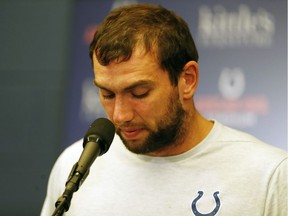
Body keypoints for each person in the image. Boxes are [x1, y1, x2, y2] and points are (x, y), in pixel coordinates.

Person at [41, 3, 287, 216]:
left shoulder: (270, 176)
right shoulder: (74, 165)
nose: (119, 115)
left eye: (139, 93)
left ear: (187, 80)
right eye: (107, 94)